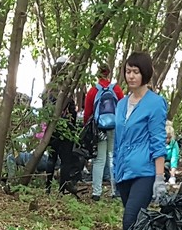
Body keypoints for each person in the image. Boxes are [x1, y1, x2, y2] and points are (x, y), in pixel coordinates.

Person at [112, 51, 168, 230]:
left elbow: (157, 141)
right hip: (123, 171)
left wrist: (159, 179)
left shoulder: (155, 103)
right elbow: (118, 139)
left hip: (144, 171)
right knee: (135, 226)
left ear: (144, 73)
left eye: (135, 71)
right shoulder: (121, 104)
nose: (131, 76)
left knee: (130, 221)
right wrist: (114, 169)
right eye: (128, 71)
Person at [84, 64, 123, 201]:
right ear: (109, 74)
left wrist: (87, 128)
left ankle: (96, 193)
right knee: (113, 157)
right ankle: (115, 191)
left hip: (99, 128)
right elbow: (122, 108)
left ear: (98, 74)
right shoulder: (116, 90)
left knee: (99, 159)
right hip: (114, 127)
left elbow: (88, 113)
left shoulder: (93, 91)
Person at [44, 58, 82, 195]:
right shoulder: (68, 89)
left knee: (51, 158)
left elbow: (45, 109)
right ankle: (61, 191)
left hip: (52, 129)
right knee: (65, 161)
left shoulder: (49, 88)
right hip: (66, 129)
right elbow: (73, 111)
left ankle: (47, 188)